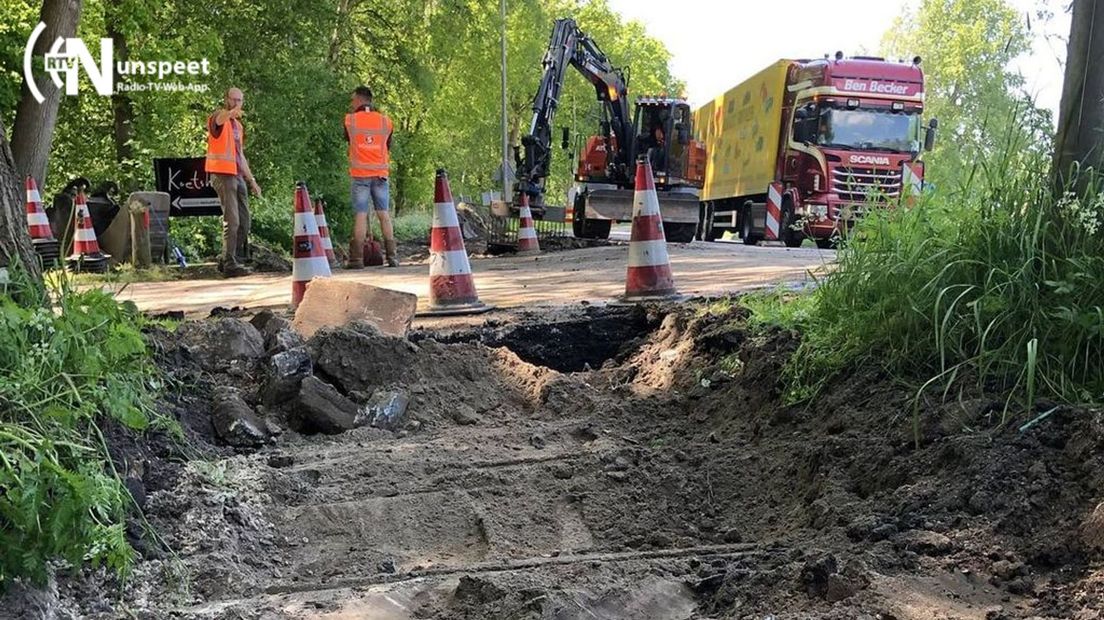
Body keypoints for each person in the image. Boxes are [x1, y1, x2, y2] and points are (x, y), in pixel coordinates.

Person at [205, 87, 261, 277]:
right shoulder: (219, 117)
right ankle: (230, 263)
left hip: (237, 175)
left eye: (240, 100)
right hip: (222, 175)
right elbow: (220, 119)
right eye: (234, 100)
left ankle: (228, 258)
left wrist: (252, 180)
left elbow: (241, 156)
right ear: (227, 99)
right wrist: (230, 113)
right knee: (233, 220)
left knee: (244, 221)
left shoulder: (238, 126)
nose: (237, 103)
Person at [344, 86, 398, 268]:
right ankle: (392, 257)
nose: (352, 104)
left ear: (359, 100)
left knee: (360, 215)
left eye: (353, 100)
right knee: (384, 214)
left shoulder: (350, 121)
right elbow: (387, 145)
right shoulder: (386, 122)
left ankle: (357, 259)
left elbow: (349, 140)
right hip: (381, 175)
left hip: (360, 176)